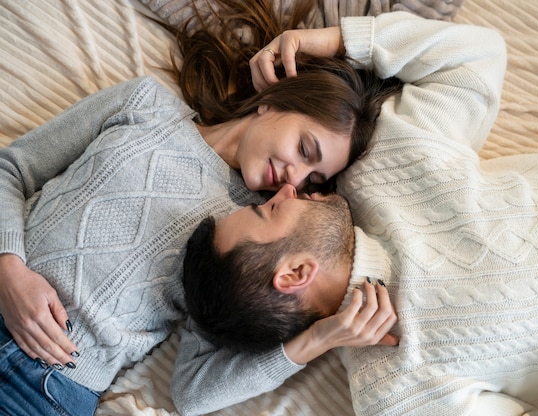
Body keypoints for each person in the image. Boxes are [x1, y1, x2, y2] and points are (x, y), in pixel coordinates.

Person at [182, 12, 538, 416]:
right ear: (296, 273)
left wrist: (338, 39)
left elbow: (476, 56)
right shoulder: (395, 389)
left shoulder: (380, 166)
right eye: (268, 213)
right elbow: (192, 396)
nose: (284, 190)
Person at [0, 1, 403, 415]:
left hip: (46, 386)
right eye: (304, 149)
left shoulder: (249, 235)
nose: (294, 179)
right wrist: (8, 266)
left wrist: (317, 340)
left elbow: (193, 392)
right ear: (273, 101)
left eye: (313, 180)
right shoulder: (145, 103)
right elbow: (11, 168)